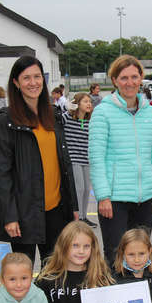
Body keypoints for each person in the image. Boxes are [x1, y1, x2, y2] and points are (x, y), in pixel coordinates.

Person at [0, 56, 78, 266]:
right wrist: (10, 215)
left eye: (37, 76)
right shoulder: (7, 120)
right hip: (25, 213)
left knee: (55, 274)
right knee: (23, 276)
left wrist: (73, 205)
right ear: (16, 82)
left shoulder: (53, 114)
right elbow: (3, 172)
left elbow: (65, 163)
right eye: (26, 78)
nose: (33, 83)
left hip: (56, 210)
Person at [88, 55, 152, 266]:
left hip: (145, 198)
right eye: (124, 78)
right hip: (115, 200)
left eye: (134, 76)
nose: (130, 82)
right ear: (114, 80)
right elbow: (96, 158)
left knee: (139, 256)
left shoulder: (150, 113)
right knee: (116, 256)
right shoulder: (102, 112)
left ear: (141, 78)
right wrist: (103, 196)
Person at [62, 93, 97, 228]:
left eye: (90, 102)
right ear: (77, 104)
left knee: (87, 189)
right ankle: (77, 216)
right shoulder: (68, 118)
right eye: (85, 101)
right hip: (73, 159)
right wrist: (69, 107)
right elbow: (57, 119)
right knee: (79, 188)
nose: (89, 104)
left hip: (86, 159)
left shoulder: (91, 121)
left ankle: (83, 216)